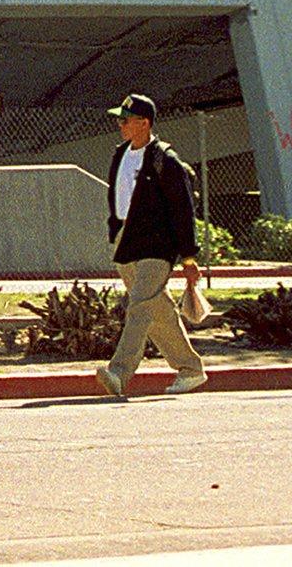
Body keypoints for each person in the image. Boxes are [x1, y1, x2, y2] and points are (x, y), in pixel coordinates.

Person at [96, 94, 206, 398]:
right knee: (158, 311)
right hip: (126, 239)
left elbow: (183, 209)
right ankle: (191, 369)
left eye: (125, 120)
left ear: (144, 123)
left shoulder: (165, 161)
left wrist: (188, 256)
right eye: (120, 119)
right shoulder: (120, 154)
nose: (120, 125)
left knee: (141, 306)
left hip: (157, 244)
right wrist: (116, 231)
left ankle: (119, 373)